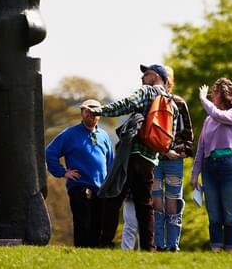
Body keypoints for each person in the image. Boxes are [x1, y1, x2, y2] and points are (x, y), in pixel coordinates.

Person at [92, 63, 177, 251]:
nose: (142, 78)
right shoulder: (172, 103)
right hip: (149, 160)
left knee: (114, 198)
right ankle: (149, 247)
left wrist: (99, 111)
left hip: (131, 155)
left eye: (146, 74)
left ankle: (105, 243)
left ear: (155, 77)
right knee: (145, 204)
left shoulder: (147, 91)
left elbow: (126, 104)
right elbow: (170, 139)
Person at [44, 99, 115, 247]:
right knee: (83, 223)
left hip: (101, 189)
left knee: (97, 225)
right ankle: (81, 252)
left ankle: (94, 257)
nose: (92, 115)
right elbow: (50, 153)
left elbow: (110, 162)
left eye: (95, 112)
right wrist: (63, 172)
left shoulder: (104, 136)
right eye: (88, 111)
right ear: (82, 113)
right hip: (79, 186)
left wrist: (110, 184)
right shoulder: (70, 134)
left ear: (100, 115)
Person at [189, 77, 232, 252]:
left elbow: (217, 114)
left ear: (225, 94)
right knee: (213, 215)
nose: (212, 95)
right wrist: (194, 173)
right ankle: (216, 251)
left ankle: (230, 251)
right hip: (209, 167)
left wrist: (203, 99)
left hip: (230, 166)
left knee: (229, 214)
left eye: (215, 92)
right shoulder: (208, 120)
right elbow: (201, 148)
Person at [152, 65, 194, 251]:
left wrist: (180, 151)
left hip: (174, 161)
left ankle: (173, 246)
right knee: (156, 202)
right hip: (154, 160)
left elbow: (188, 135)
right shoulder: (150, 102)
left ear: (169, 81)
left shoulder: (179, 103)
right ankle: (159, 245)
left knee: (173, 202)